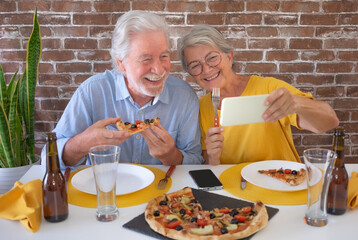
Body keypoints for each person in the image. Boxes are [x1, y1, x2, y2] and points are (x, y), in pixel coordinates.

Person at [41, 11, 204, 170]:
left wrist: (171, 156)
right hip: (106, 192)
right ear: (121, 63)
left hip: (162, 192)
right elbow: (46, 159)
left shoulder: (184, 96)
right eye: (146, 59)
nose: (159, 69)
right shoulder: (92, 91)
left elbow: (196, 161)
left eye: (164, 56)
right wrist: (83, 143)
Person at [177, 24, 339, 165]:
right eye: (195, 65)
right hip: (237, 191)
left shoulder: (268, 88)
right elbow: (210, 168)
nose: (206, 69)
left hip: (283, 182)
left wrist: (297, 103)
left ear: (229, 57)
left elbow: (329, 122)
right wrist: (213, 158)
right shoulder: (199, 108)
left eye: (212, 58)